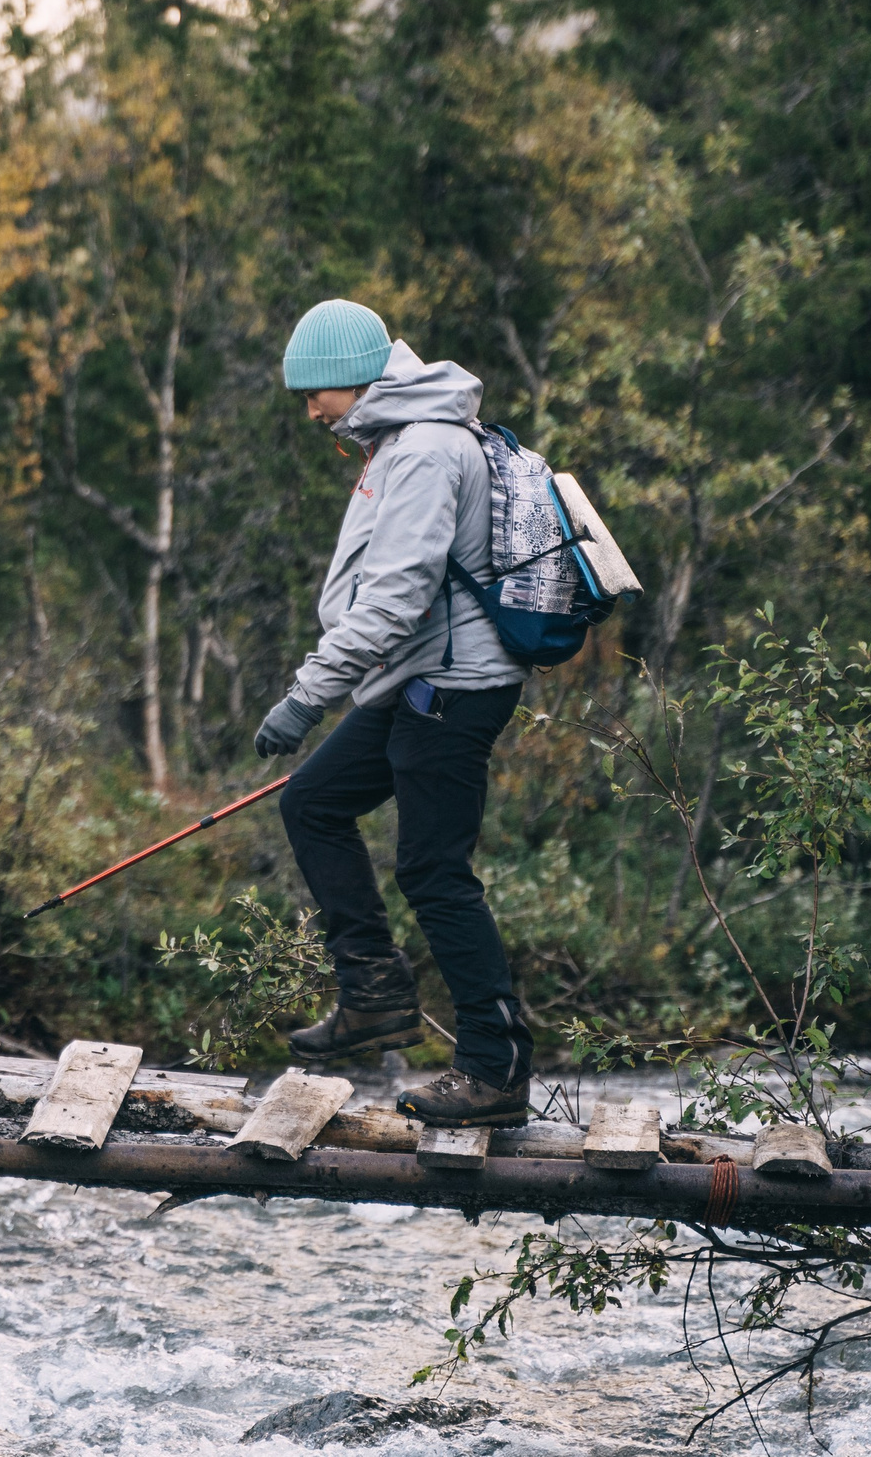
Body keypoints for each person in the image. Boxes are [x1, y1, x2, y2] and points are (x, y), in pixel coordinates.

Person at [253, 297, 535, 1128]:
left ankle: (495, 1070)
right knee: (313, 801)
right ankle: (374, 995)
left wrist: (306, 695)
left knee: (433, 870)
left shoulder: (426, 449)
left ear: (348, 376)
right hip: (416, 680)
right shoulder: (400, 441)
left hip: (452, 687)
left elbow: (395, 597)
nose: (311, 410)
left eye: (313, 392)